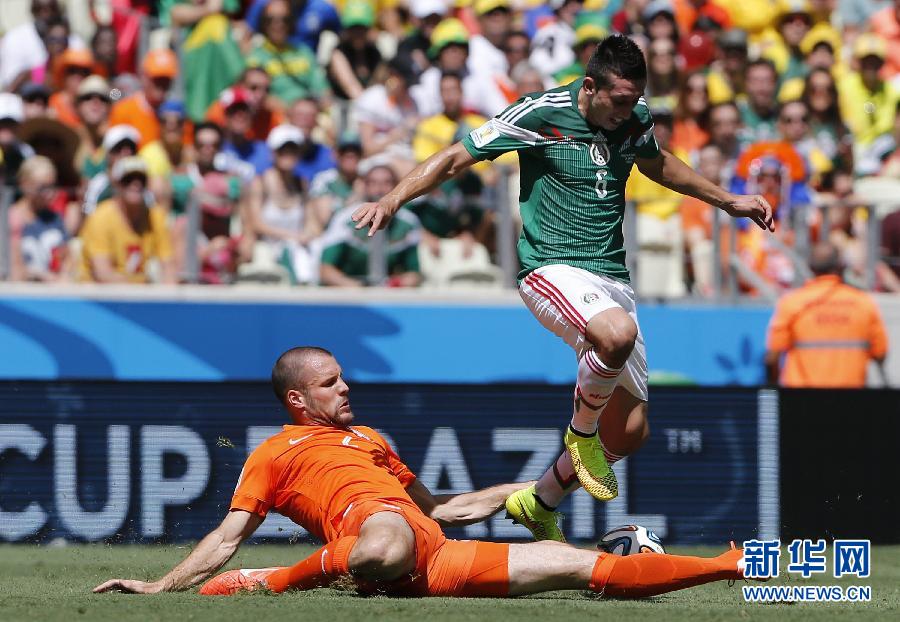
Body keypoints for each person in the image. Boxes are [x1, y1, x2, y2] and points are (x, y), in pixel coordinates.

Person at [352, 34, 773, 541]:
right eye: (618, 102)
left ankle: (540, 501)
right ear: (590, 86)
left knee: (632, 430)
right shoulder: (538, 113)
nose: (627, 112)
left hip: (611, 275)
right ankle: (580, 433)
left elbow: (655, 161)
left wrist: (728, 200)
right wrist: (393, 200)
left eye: (633, 101)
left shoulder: (632, 116)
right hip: (551, 268)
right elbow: (454, 158)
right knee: (613, 338)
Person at [92, 346, 749, 598]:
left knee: (577, 564)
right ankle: (273, 583)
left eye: (343, 377)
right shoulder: (274, 455)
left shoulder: (372, 438)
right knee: (383, 536)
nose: (345, 388)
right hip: (378, 538)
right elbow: (227, 535)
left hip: (434, 553)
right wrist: (162, 586)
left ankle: (732, 563)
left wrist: (519, 492)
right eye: (330, 382)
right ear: (298, 400)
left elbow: (438, 511)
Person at [765, 242, 889, 388]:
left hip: (801, 400)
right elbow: (880, 353)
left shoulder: (792, 303)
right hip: (851, 400)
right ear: (841, 267)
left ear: (810, 267)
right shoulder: (862, 303)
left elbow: (772, 358)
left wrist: (774, 387)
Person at [320, 165, 422, 288]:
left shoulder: (408, 223)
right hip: (348, 291)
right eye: (374, 183)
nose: (380, 189)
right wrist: (357, 287)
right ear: (365, 186)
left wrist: (395, 284)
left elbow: (414, 274)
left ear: (396, 187)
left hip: (389, 292)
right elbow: (325, 270)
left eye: (387, 183)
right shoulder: (346, 219)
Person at [78, 156, 175, 284]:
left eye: (141, 179)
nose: (136, 184)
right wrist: (141, 292)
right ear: (116, 184)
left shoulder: (156, 217)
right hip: (99, 296)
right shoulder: (100, 217)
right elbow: (103, 274)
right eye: (128, 179)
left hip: (141, 294)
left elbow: (168, 266)